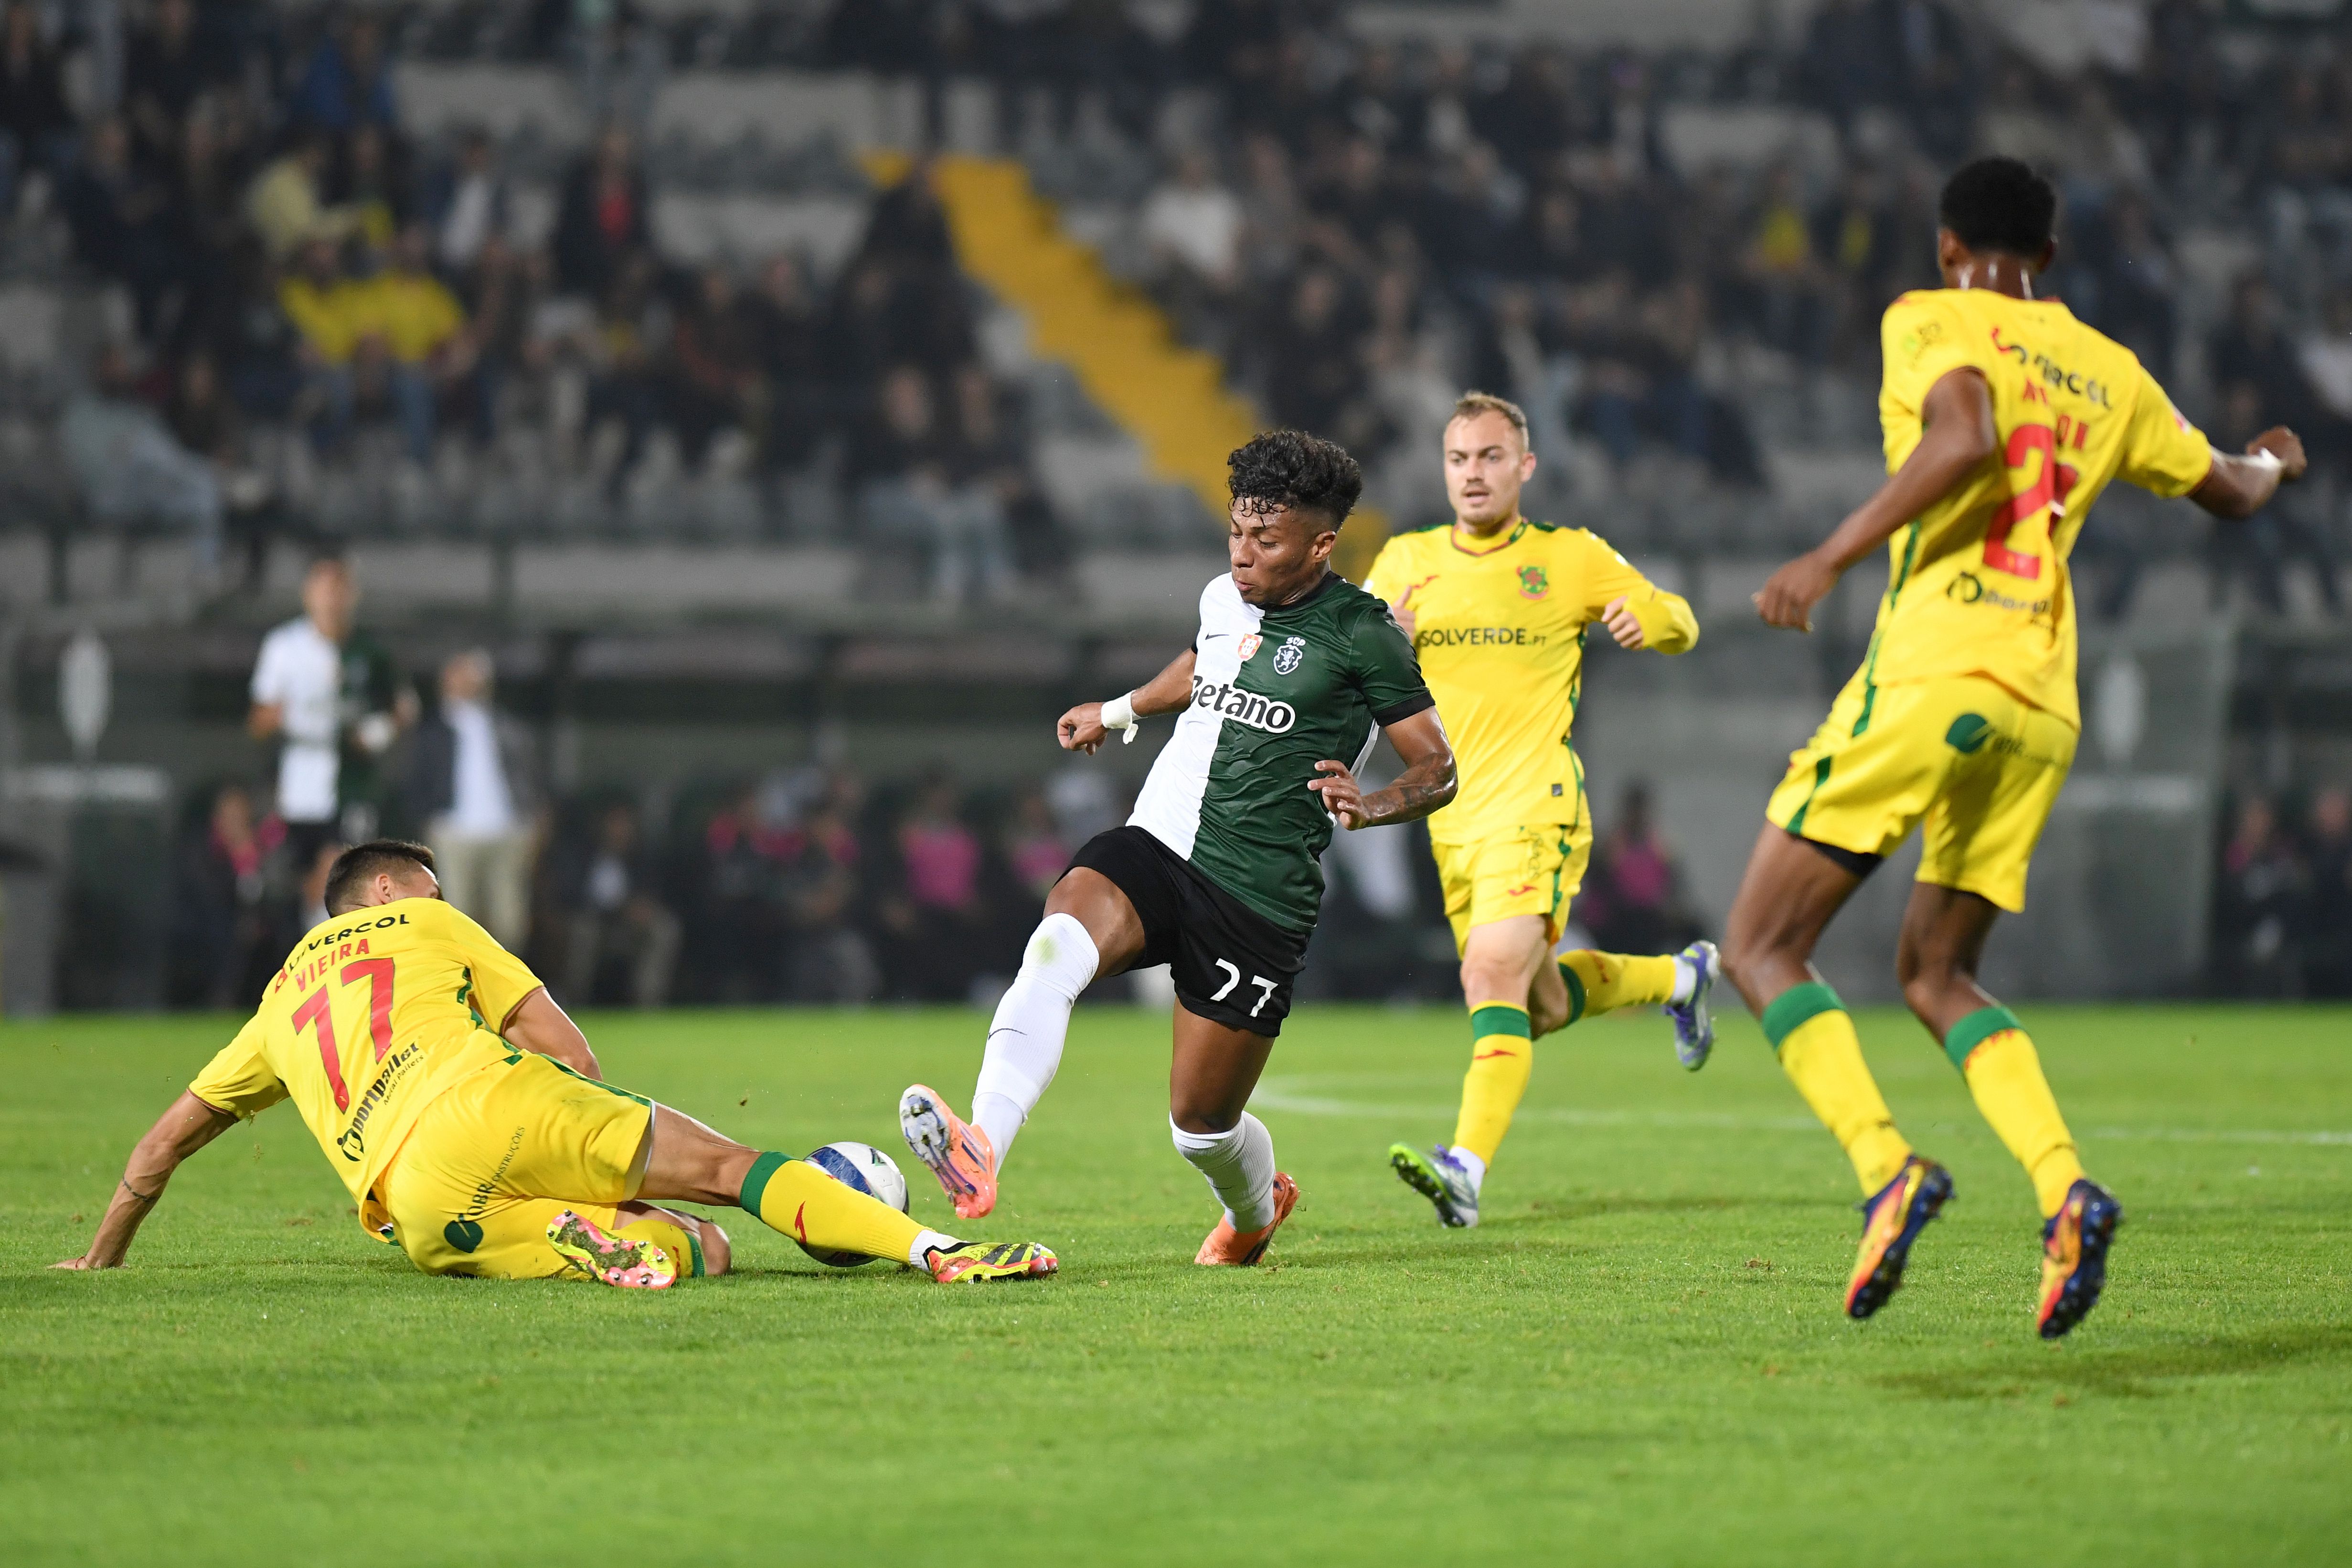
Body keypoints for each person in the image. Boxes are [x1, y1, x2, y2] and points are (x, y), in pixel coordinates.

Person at [1721, 157, 2307, 1340]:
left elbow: (1965, 432)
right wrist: (2277, 459)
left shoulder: (1927, 316)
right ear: (2049, 257)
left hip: (1939, 668)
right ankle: (2062, 1188)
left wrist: (1825, 558)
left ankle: (1885, 1168)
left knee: (1759, 944)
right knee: (1936, 976)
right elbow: (2233, 491)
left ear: (1947, 247)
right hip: (2041, 702)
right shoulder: (2110, 367)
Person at [895, 431, 1455, 1268]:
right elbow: (1199, 666)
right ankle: (982, 1143)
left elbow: (1438, 766)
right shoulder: (1222, 597)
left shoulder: (1363, 633)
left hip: (1257, 898)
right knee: (1054, 945)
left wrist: (1370, 807)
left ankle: (1256, 1209)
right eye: (1235, 532)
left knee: (1201, 1128)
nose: (1244, 553)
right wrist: (1118, 710)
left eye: (1266, 541)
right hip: (1157, 844)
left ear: (1321, 544)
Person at [54, 841, 1055, 1290]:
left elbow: (161, 1146)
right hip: (490, 1102)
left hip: (420, 1211)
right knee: (729, 1172)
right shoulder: (427, 916)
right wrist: (619, 1136)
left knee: (697, 1251)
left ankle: (612, 1240)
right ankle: (935, 1252)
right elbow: (564, 1048)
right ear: (392, 888)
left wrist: (103, 1255)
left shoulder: (275, 1003)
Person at [1359, 392, 1712, 1229]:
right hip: (1449, 816)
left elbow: (1685, 620)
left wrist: (1647, 617)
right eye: (1459, 459)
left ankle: (1466, 1171)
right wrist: (1379, 639)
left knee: (1488, 975)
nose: (1473, 474)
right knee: (1540, 1003)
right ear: (1442, 470)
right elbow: (1348, 659)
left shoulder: (1571, 556)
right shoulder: (1405, 561)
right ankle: (1680, 977)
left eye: (1490, 457)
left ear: (1526, 467)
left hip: (1536, 800)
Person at [249, 553, 412, 868]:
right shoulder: (285, 646)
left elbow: (404, 708)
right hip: (298, 784)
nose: (331, 600)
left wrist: (375, 734)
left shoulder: (370, 651)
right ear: (308, 594)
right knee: (302, 881)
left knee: (342, 875)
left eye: (339, 590)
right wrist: (295, 715)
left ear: (354, 595)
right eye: (324, 589)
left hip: (353, 784)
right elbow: (258, 721)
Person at [408, 650, 539, 951]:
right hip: (454, 832)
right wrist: (429, 822)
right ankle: (463, 991)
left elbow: (527, 774)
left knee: (510, 922)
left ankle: (506, 991)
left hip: (507, 831)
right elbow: (417, 781)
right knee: (457, 919)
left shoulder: (504, 726)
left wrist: (532, 820)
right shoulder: (433, 730)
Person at [562, 801, 681, 1008]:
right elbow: (572, 895)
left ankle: (648, 1002)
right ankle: (576, 1002)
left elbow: (651, 893)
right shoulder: (585, 856)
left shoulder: (642, 858)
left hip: (629, 927)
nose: (620, 830)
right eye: (615, 823)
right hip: (595, 923)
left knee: (664, 929)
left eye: (625, 824)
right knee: (583, 931)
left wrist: (640, 908)